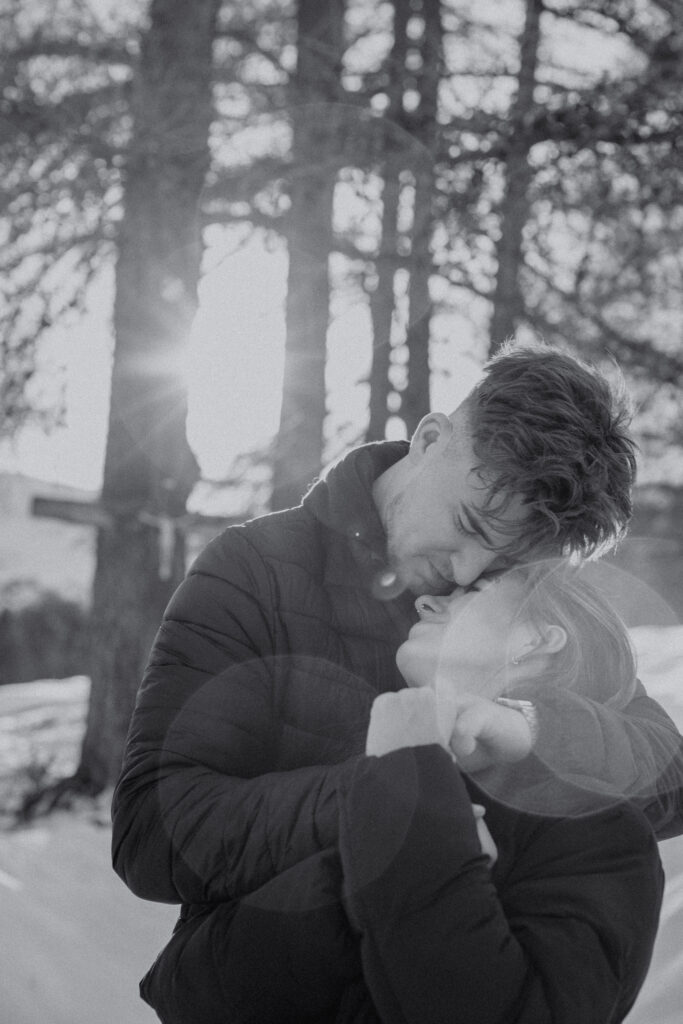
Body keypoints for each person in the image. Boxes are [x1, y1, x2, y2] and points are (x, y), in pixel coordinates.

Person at [111, 342, 682, 1003]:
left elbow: (669, 782)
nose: (467, 572)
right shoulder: (255, 570)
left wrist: (528, 728)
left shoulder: (541, 601)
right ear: (430, 438)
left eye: (508, 558)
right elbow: (153, 832)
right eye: (468, 523)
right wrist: (377, 798)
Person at [135, 561, 665, 1023]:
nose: (429, 598)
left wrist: (416, 832)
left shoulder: (599, 828)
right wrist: (391, 832)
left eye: (472, 592)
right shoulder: (349, 770)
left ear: (541, 637)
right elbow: (181, 990)